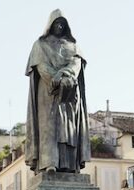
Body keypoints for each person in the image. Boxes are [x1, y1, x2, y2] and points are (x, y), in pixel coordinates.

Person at [25, 9, 90, 174]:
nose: (59, 26)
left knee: (69, 130)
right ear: (50, 25)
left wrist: (66, 76)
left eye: (62, 24)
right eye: (56, 23)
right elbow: (41, 66)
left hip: (69, 93)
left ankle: (70, 164)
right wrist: (55, 79)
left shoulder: (73, 46)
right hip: (48, 92)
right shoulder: (40, 45)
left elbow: (77, 64)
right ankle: (49, 163)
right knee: (49, 128)